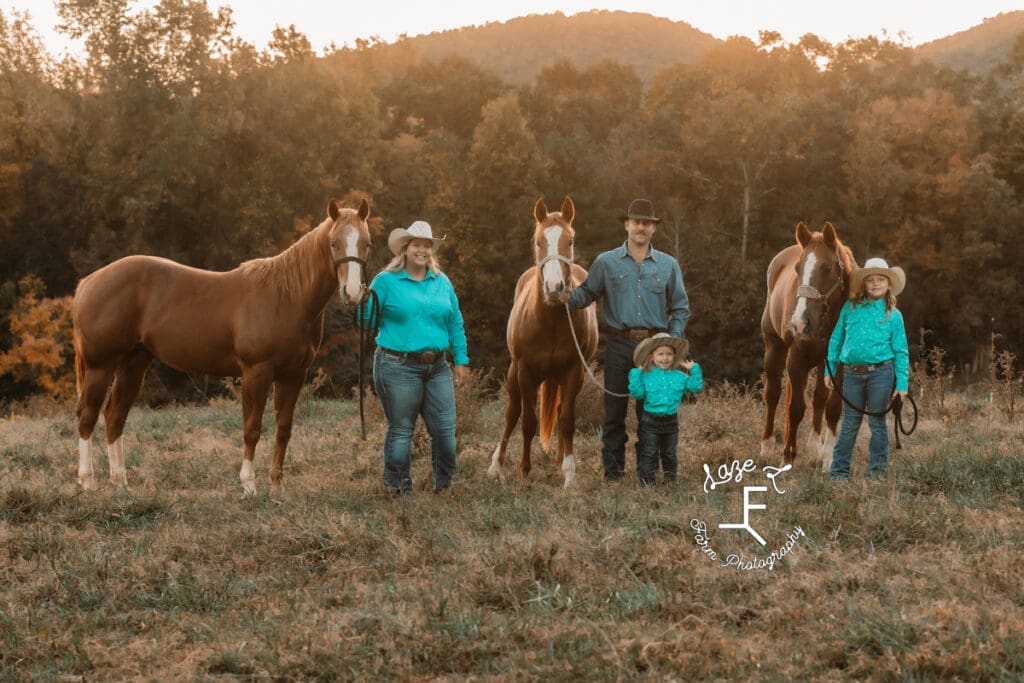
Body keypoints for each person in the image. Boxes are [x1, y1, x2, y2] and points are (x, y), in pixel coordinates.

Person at [562, 198, 690, 481]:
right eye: (636, 222)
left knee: (652, 412)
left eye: (647, 223)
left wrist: (672, 339)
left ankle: (647, 473)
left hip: (656, 348)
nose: (641, 227)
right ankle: (614, 473)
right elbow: (587, 293)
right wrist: (568, 296)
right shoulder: (606, 262)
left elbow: (680, 307)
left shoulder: (668, 265)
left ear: (653, 228)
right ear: (627, 225)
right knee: (613, 412)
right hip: (619, 344)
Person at [359, 220, 470, 494]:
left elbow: (455, 322)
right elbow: (366, 321)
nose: (422, 250)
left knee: (445, 432)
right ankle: (397, 489)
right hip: (397, 365)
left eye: (427, 246)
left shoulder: (441, 282)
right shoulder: (386, 281)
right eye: (417, 245)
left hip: (438, 366)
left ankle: (447, 486)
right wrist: (360, 301)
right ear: (405, 249)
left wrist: (462, 360)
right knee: (401, 431)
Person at [823, 257, 910, 480]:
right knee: (850, 421)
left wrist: (901, 383)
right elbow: (836, 339)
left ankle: (877, 473)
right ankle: (839, 472)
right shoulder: (850, 308)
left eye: (881, 279)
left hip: (880, 373)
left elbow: (901, 351)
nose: (875, 284)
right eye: (870, 280)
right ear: (864, 283)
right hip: (852, 373)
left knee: (877, 422)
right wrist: (829, 368)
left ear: (889, 284)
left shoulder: (894, 315)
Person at [628, 333, 703, 485]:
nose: (664, 358)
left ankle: (669, 482)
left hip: (671, 422)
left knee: (669, 454)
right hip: (650, 421)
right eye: (660, 354)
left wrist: (694, 369)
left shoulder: (680, 376)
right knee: (649, 453)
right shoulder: (645, 376)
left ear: (674, 357)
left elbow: (696, 387)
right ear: (652, 357)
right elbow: (637, 393)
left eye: (669, 354)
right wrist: (636, 374)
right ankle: (648, 484)